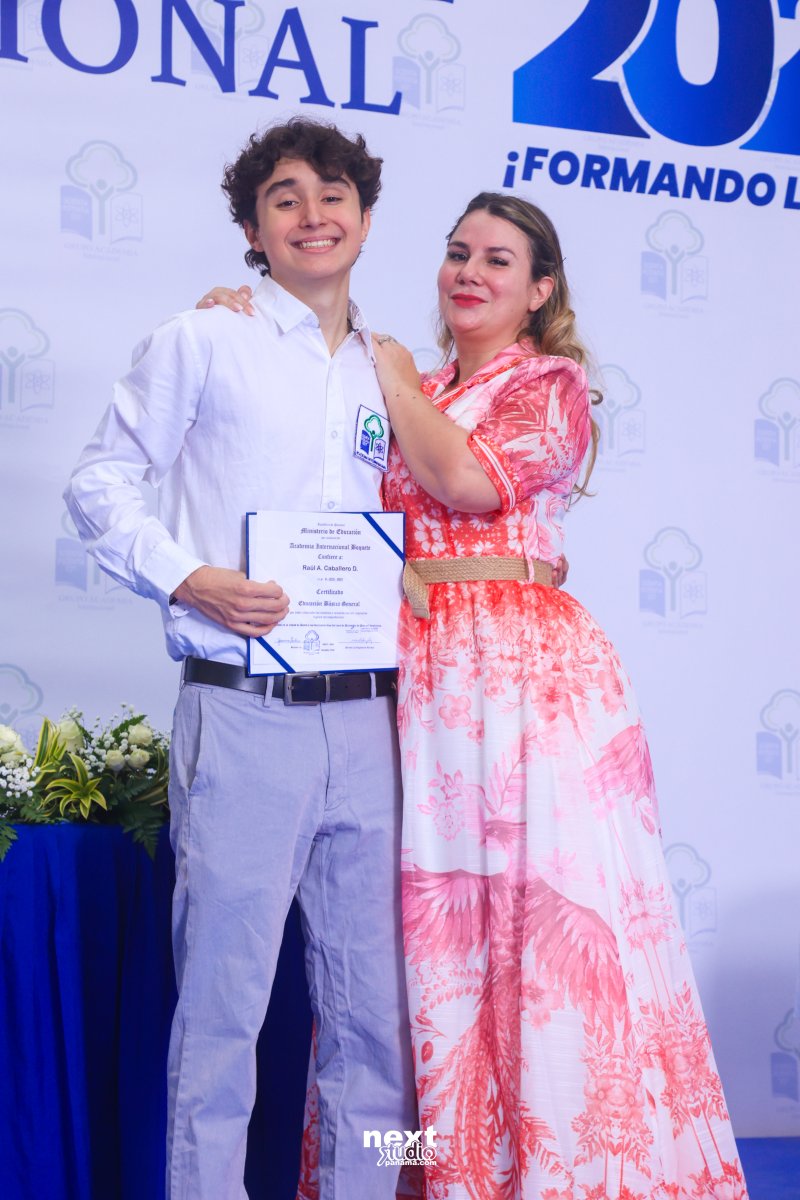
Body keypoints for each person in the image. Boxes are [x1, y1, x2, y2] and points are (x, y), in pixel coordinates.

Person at [201, 190, 748, 1198]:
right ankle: (425, 1172)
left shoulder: (550, 385)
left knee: (540, 930)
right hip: (412, 680)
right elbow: (309, 451)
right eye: (458, 252)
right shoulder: (403, 380)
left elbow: (462, 480)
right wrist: (244, 321)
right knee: (419, 945)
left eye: (498, 260)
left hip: (524, 684)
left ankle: (559, 1171)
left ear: (539, 291)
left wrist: (387, 368)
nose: (469, 272)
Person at [64, 118, 417, 1200]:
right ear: (254, 231)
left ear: (365, 218)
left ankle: (373, 1187)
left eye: (333, 194)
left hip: (373, 720)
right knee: (223, 1012)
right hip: (244, 710)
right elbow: (97, 483)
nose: (313, 214)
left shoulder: (392, 370)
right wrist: (187, 577)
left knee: (380, 1017)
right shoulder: (201, 338)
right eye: (284, 197)